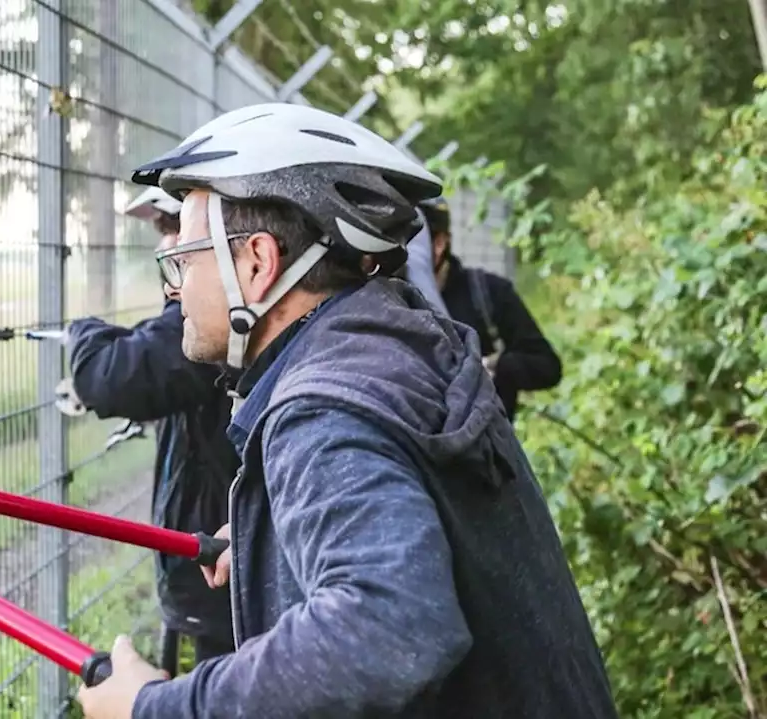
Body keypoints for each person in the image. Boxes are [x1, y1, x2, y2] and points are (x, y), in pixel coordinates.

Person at [75, 103, 618, 719]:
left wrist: (155, 707)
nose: (175, 287)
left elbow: (389, 628)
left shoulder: (324, 408)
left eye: (185, 260)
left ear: (256, 262)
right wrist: (274, 539)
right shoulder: (392, 349)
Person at [60, 185, 240, 670]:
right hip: (213, 554)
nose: (166, 273)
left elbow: (116, 373)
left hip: (222, 574)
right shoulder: (200, 314)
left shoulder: (219, 321)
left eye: (173, 233)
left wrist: (84, 332)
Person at [406, 197, 563, 421]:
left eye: (413, 243)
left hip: (488, 445)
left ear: (439, 244)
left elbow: (547, 367)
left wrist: (494, 366)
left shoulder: (488, 293)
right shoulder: (396, 297)